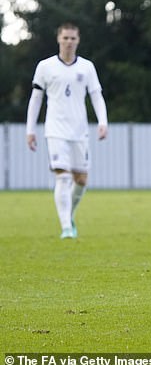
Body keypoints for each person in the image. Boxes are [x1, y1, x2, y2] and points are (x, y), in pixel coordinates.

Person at [26, 22, 108, 239]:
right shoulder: (45, 67)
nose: (69, 42)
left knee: (81, 181)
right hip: (55, 130)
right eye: (65, 38)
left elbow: (96, 95)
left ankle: (68, 216)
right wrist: (30, 129)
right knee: (63, 177)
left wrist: (103, 121)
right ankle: (66, 228)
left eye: (73, 38)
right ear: (58, 39)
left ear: (78, 40)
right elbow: (36, 99)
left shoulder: (87, 67)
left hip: (79, 131)